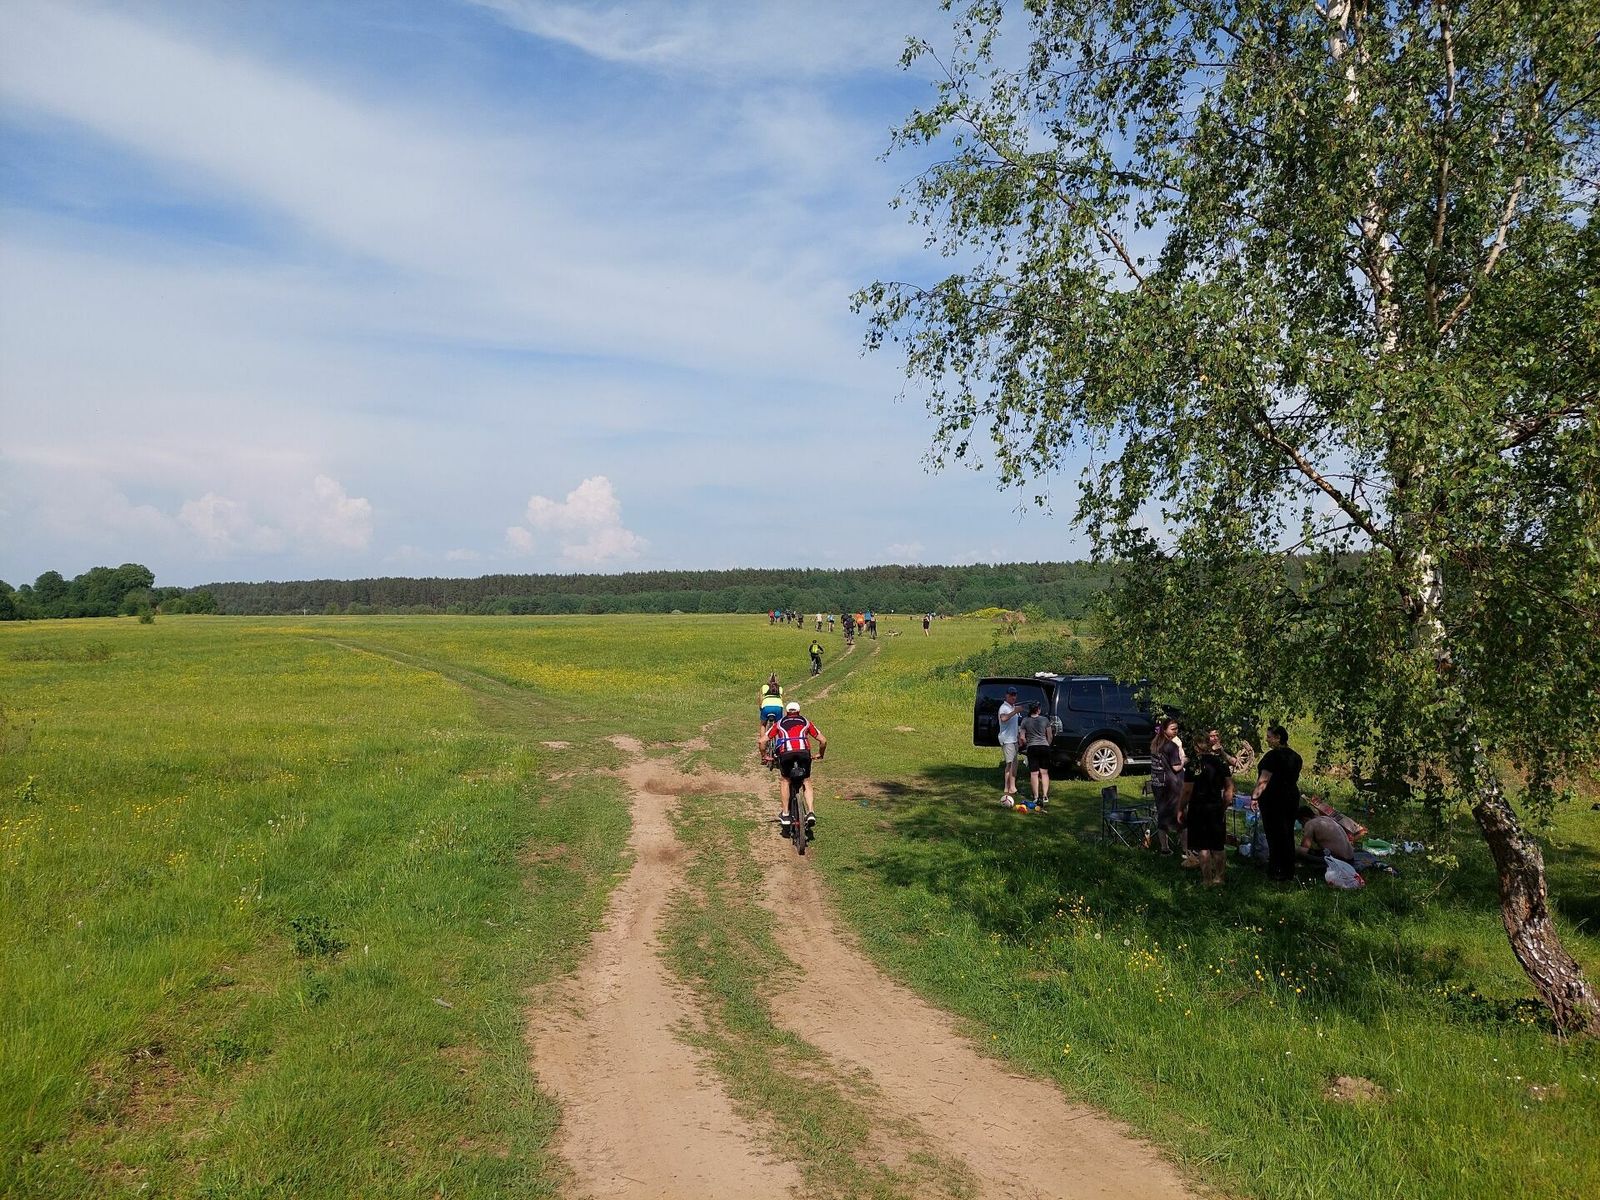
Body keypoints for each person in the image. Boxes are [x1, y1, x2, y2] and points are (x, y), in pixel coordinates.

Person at [761, 701, 826, 837]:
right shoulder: (805, 722)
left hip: (786, 754)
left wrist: (764, 756)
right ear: (799, 711)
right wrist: (820, 754)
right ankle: (811, 812)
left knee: (785, 780)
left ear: (786, 712)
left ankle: (785, 814)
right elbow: (823, 740)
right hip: (803, 753)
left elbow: (762, 741)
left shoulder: (779, 723)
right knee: (806, 780)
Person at [1252, 724, 1304, 882]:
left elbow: (1264, 780)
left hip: (1274, 799)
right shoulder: (1296, 757)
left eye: (1269, 737)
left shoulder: (1272, 756)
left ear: (1278, 738)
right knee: (1287, 832)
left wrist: (1255, 797)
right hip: (1291, 797)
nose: (1266, 740)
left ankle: (1276, 869)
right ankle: (1289, 869)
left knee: (1274, 834)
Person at [1184, 743, 1235, 885]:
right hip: (1216, 807)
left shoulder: (1194, 766)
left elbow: (1187, 791)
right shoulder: (1221, 764)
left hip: (1198, 808)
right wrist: (1223, 807)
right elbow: (1229, 789)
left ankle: (1207, 880)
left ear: (1196, 748)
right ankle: (1220, 878)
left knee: (1203, 846)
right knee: (1218, 846)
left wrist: (1180, 808)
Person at [1149, 717, 1184, 853]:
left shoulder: (1155, 744)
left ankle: (1165, 848)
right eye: (1172, 729)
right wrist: (1184, 761)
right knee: (1180, 817)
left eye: (1177, 728)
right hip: (1171, 786)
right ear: (1164, 730)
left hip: (1158, 784)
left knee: (1162, 816)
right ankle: (1186, 849)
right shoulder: (1171, 746)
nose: (1176, 731)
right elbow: (1176, 767)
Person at [1018, 701, 1053, 810]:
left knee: (1034, 773)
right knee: (1044, 772)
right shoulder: (1045, 720)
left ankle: (1036, 797)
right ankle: (1045, 796)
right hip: (1044, 747)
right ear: (1038, 709)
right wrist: (1047, 744)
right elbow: (1050, 736)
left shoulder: (1025, 721)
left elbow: (1022, 737)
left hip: (1032, 747)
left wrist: (1026, 744)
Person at [997, 687, 1023, 806]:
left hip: (1013, 739)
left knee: (1014, 764)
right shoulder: (1004, 707)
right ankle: (1007, 788)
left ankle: (1012, 787)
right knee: (1010, 764)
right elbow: (1003, 718)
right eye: (1011, 695)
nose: (1013, 697)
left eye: (1015, 695)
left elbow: (1014, 725)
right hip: (1007, 740)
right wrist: (1015, 711)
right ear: (1006, 695)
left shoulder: (1013, 707)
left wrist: (1018, 737)